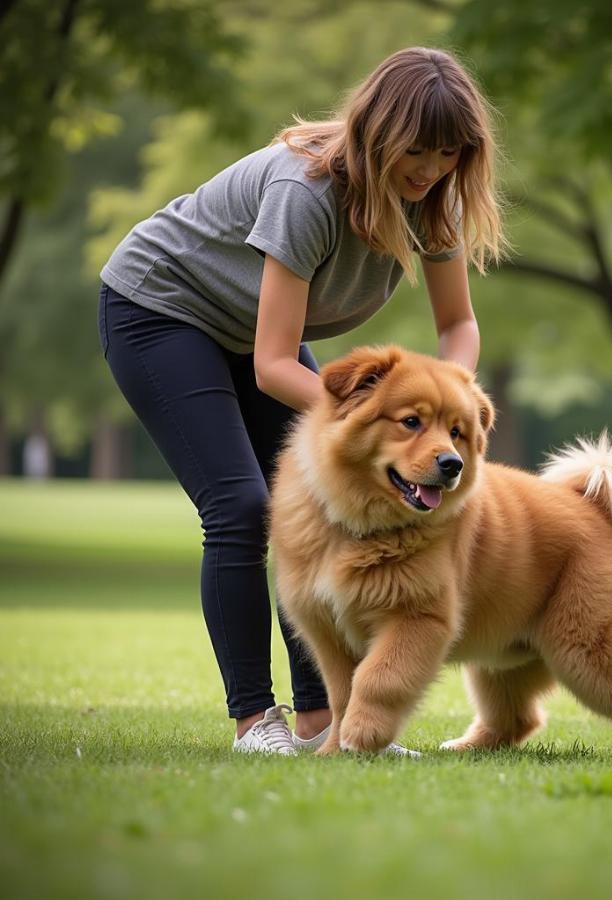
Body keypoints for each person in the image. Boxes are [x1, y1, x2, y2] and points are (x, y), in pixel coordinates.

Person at [97, 47, 504, 755]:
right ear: (378, 129)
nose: (432, 167)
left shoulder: (434, 204)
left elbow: (458, 326)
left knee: (319, 506)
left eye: (449, 153)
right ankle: (255, 721)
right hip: (161, 308)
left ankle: (327, 721)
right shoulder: (307, 190)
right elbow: (273, 362)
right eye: (418, 148)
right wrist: (373, 415)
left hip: (248, 329)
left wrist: (452, 397)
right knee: (244, 505)